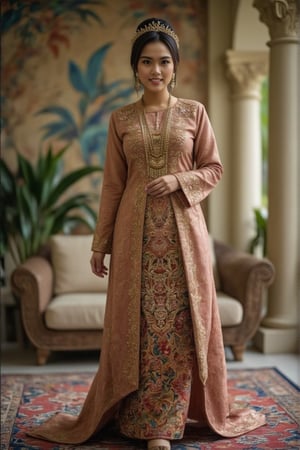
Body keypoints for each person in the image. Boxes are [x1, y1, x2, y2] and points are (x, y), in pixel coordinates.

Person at [27, 17, 265, 450]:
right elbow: (114, 185)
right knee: (139, 325)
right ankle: (139, 419)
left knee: (177, 325)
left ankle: (167, 423)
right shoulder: (121, 120)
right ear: (135, 68)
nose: (156, 70)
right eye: (146, 62)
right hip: (133, 236)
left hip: (184, 239)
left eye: (164, 62)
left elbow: (214, 168)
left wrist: (178, 181)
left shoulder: (195, 113)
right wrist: (100, 244)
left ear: (175, 65)